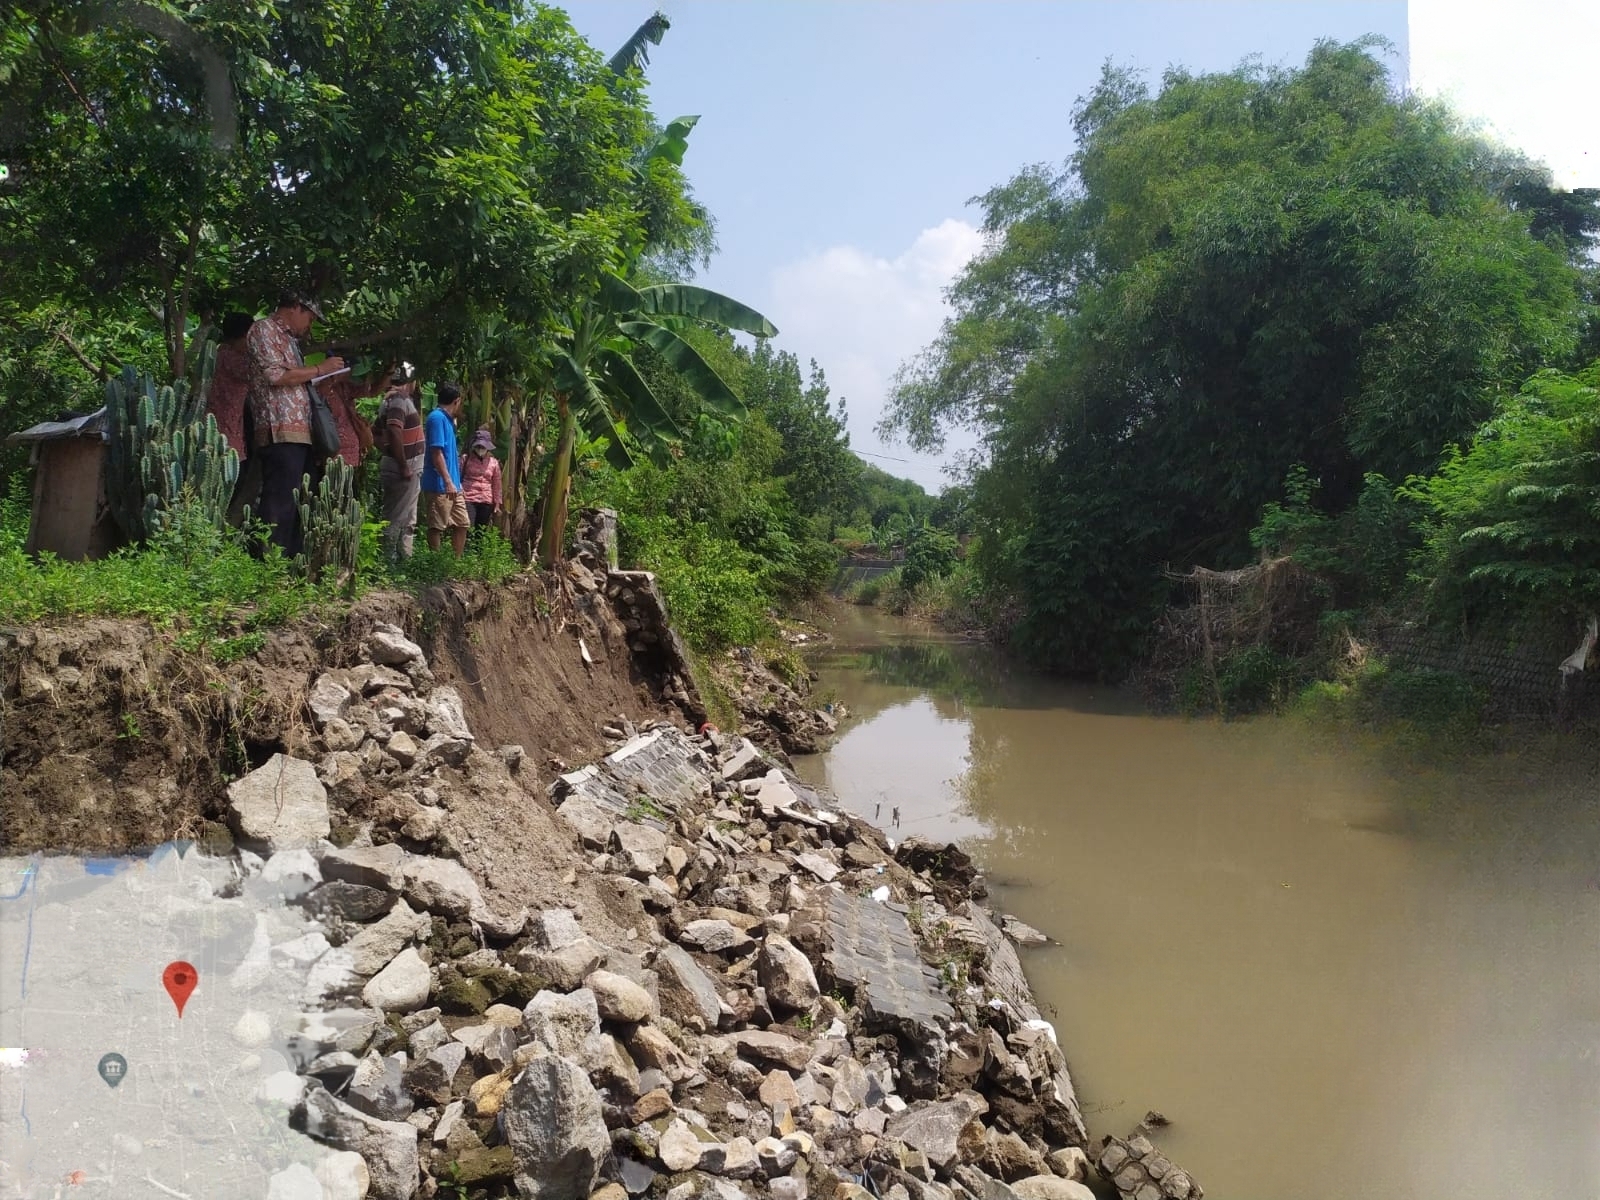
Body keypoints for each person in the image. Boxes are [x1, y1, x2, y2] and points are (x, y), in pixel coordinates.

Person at [246, 291, 344, 555]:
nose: (308, 326)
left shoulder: (291, 341)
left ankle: (291, 561)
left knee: (299, 499)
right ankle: (268, 560)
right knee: (279, 499)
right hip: (278, 429)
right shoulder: (263, 330)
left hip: (302, 433)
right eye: (309, 319)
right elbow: (276, 376)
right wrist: (320, 369)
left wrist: (323, 378)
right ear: (295, 308)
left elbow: (297, 380)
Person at [205, 312, 261, 523]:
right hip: (225, 432)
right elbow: (260, 375)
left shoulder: (219, 354)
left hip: (227, 429)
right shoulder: (232, 358)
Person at [376, 371, 424, 559]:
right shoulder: (398, 400)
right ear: (409, 381)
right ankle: (388, 561)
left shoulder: (391, 400)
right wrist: (402, 463)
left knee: (407, 519)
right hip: (404, 468)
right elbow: (394, 431)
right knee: (396, 517)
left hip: (406, 466)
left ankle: (405, 559)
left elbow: (375, 433)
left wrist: (389, 450)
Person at [421, 382, 468, 555]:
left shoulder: (449, 421)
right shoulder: (436, 418)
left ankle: (456, 562)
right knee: (437, 525)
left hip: (454, 485)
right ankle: (436, 562)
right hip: (439, 483)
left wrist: (456, 483)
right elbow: (436, 452)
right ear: (456, 401)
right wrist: (448, 480)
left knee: (462, 523)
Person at [459, 427, 502, 532]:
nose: (480, 449)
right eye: (478, 446)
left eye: (483, 446)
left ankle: (479, 548)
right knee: (468, 526)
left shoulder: (493, 462)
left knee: (481, 530)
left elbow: (497, 484)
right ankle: (467, 548)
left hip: (486, 500)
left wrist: (497, 503)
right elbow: (457, 475)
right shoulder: (465, 459)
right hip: (468, 497)